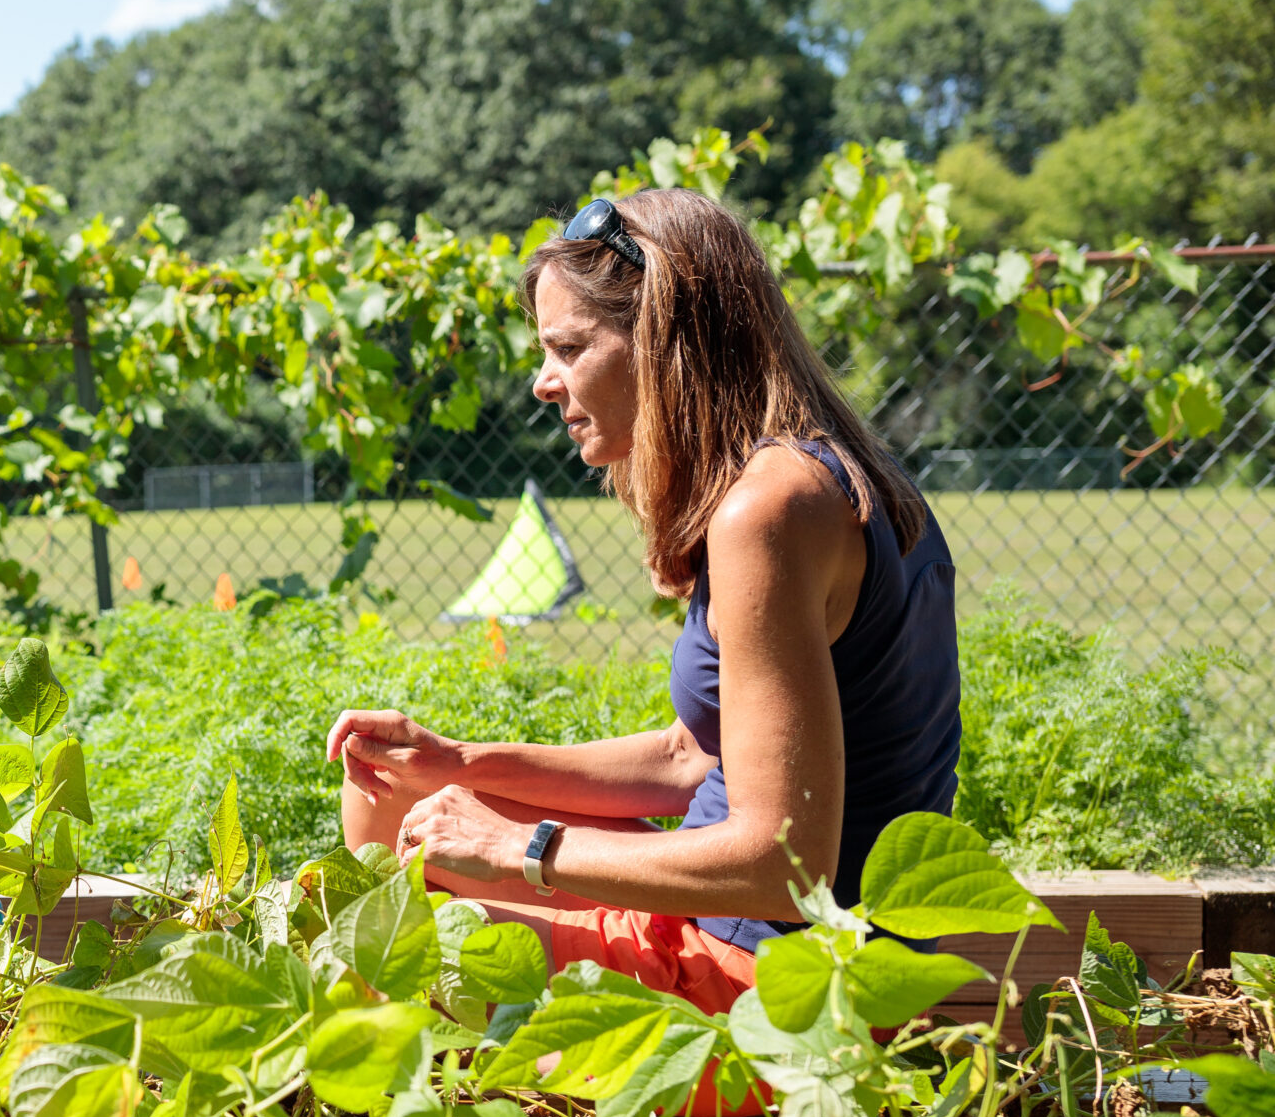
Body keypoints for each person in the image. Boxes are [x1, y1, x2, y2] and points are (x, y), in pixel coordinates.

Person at [329, 189, 959, 1015]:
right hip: (738, 930)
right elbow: (690, 759)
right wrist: (461, 764)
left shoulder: (767, 512)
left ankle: (384, 1077)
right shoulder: (819, 477)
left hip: (770, 988)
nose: (542, 384)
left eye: (569, 347)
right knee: (392, 786)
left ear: (664, 342)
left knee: (403, 941)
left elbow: (784, 868)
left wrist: (520, 848)